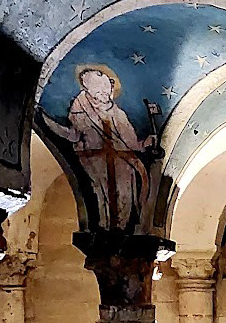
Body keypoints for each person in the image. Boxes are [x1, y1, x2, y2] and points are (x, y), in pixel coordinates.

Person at [42, 65, 161, 231]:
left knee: (124, 193)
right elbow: (74, 134)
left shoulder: (117, 112)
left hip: (121, 160)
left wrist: (145, 143)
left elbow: (130, 140)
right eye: (100, 92)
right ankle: (104, 225)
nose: (105, 95)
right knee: (99, 191)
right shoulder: (80, 108)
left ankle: (121, 227)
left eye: (107, 91)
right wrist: (51, 124)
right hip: (93, 158)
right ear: (90, 91)